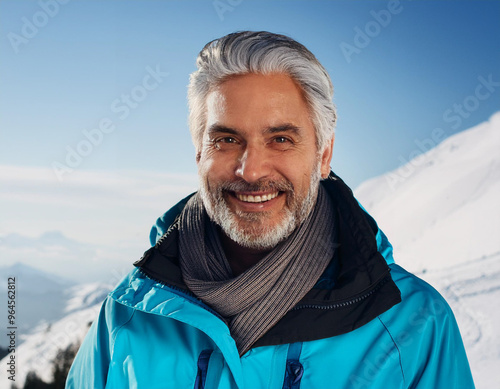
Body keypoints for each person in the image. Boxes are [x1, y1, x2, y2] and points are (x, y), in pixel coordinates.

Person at [66, 31, 475, 389]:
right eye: (226, 140)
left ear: (323, 154)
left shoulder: (415, 327)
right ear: (198, 154)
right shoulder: (127, 318)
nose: (251, 169)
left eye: (280, 139)